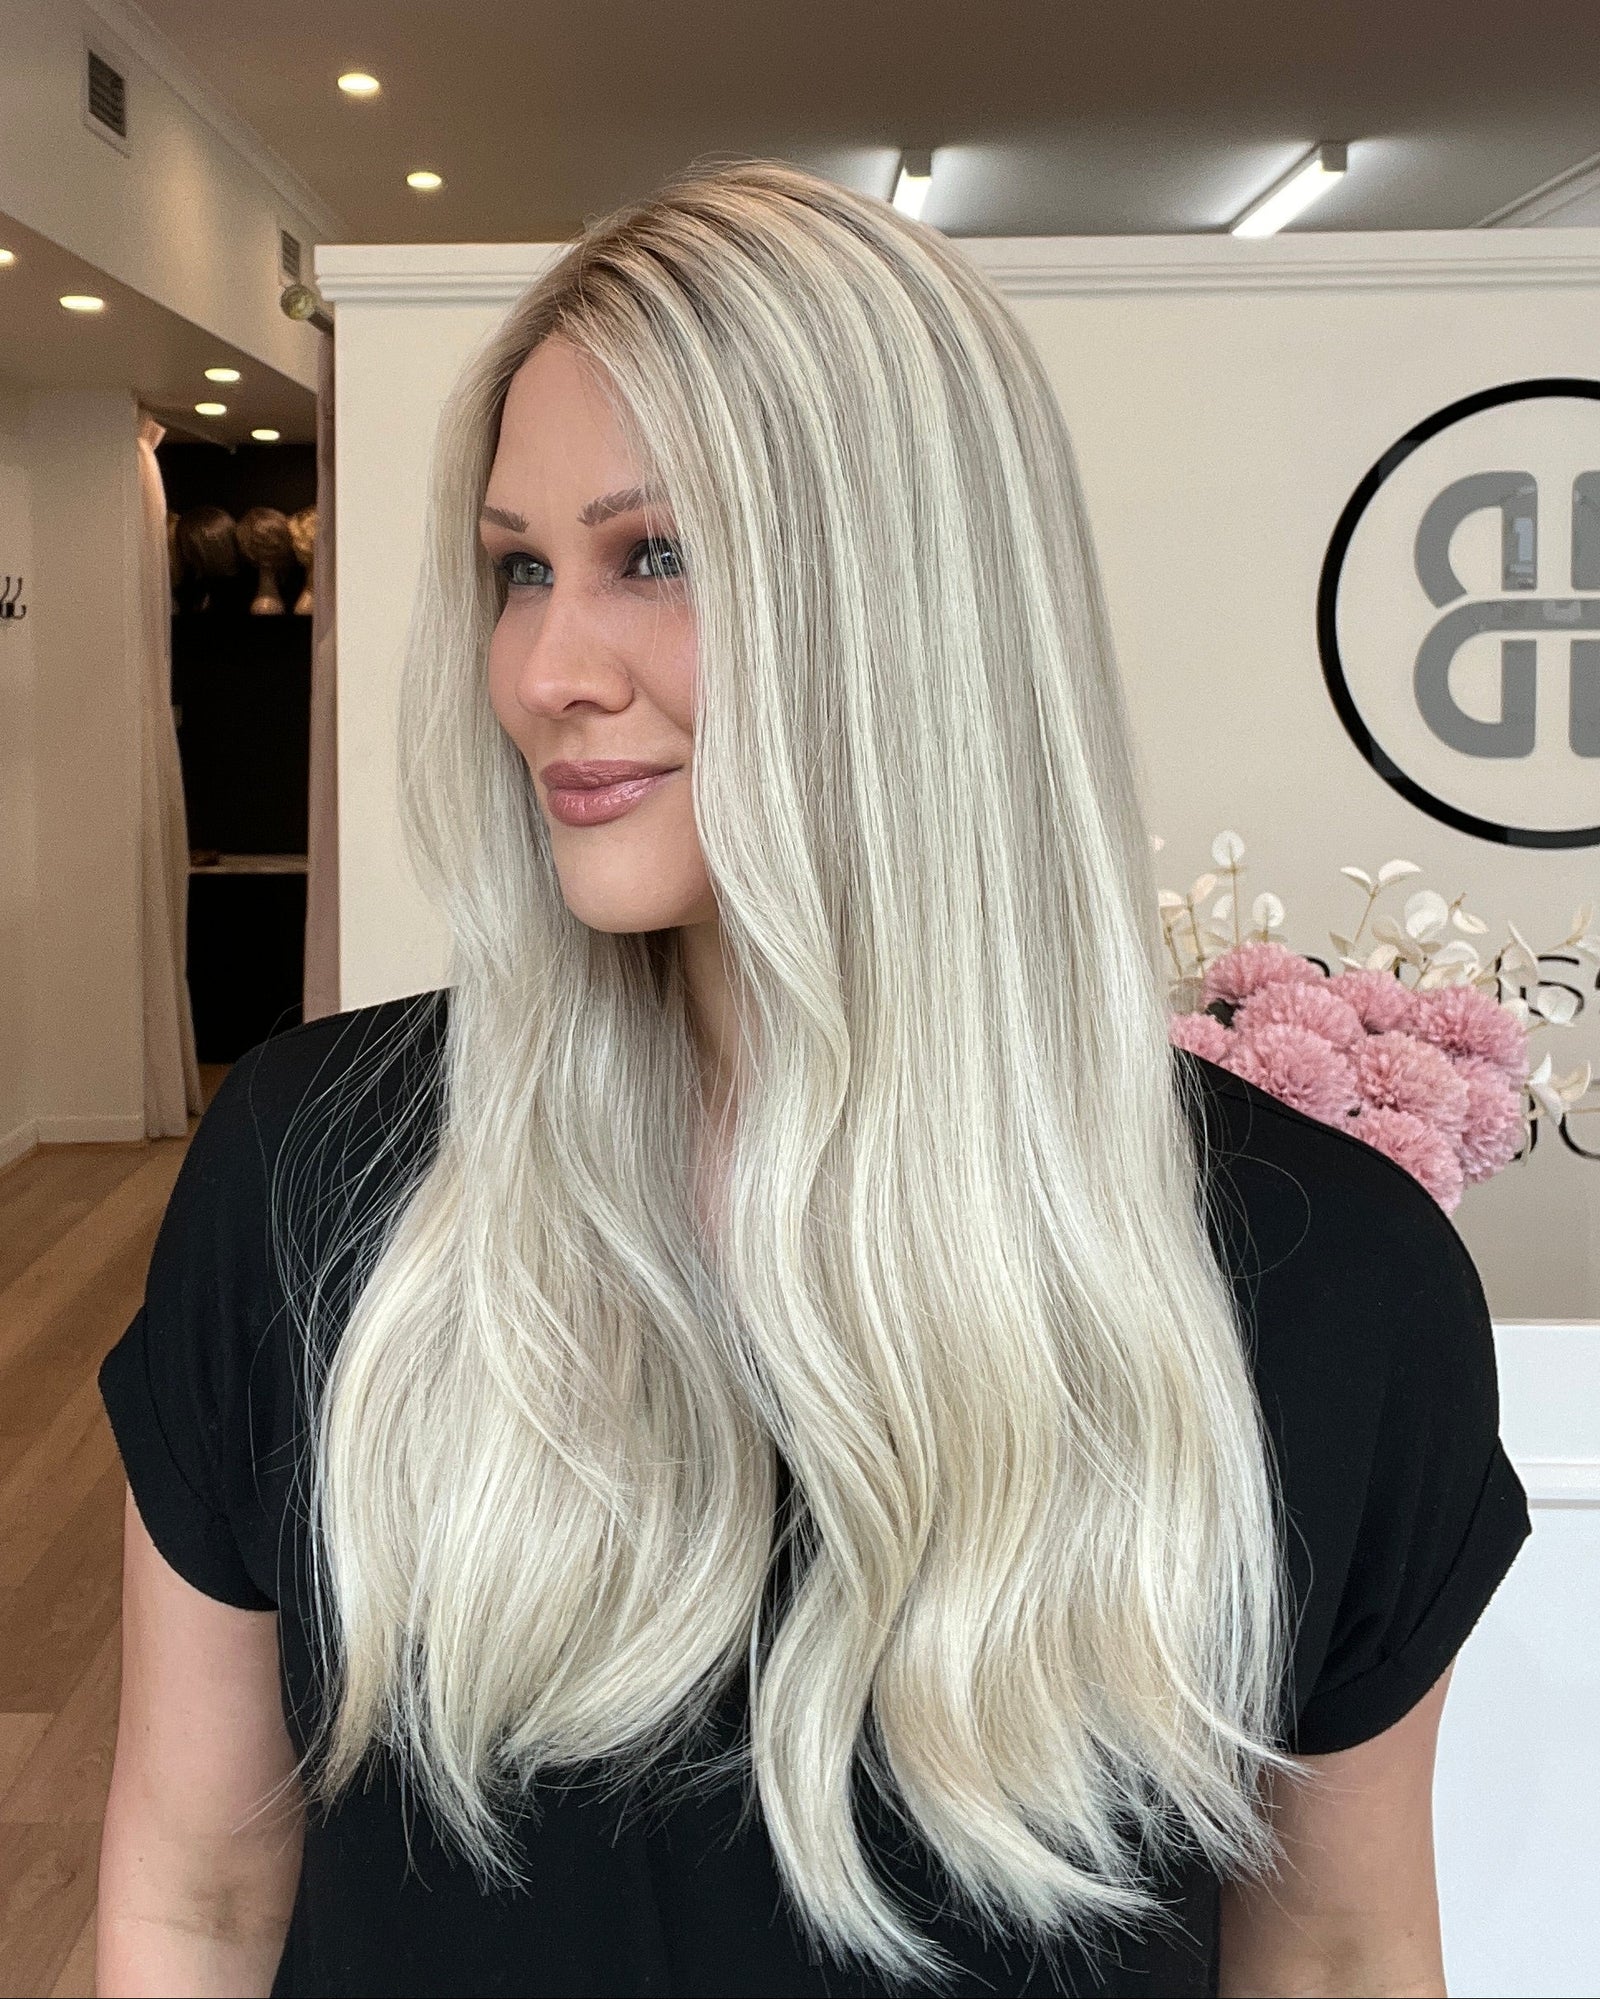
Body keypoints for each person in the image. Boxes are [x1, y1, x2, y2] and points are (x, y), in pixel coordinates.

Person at [94, 160, 1531, 1999]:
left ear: (914, 603)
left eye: (656, 557)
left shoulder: (1325, 1284)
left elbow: (1332, 1956)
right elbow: (195, 1900)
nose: (543, 666)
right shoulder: (318, 1177)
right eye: (518, 568)